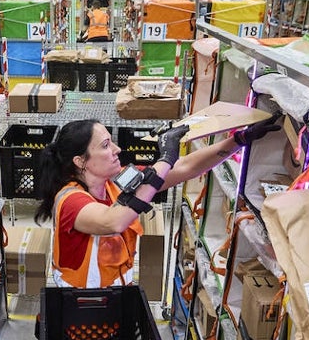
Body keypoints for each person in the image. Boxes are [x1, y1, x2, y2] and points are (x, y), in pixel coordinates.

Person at [34, 116, 281, 288]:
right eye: (106, 145)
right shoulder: (70, 200)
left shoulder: (115, 182)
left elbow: (184, 168)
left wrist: (239, 140)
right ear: (80, 161)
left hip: (114, 299)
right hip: (79, 309)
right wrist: (164, 158)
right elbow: (114, 221)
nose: (117, 149)